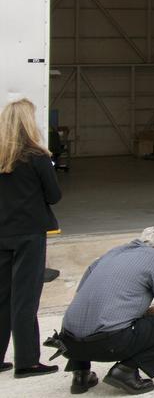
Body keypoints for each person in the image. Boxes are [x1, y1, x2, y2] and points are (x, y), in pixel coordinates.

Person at [58, 225, 154, 394]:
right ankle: (125, 371)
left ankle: (80, 374)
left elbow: (81, 296)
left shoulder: (110, 254)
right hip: (108, 345)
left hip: (69, 344)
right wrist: (145, 313)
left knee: (89, 313)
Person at [0, 98, 61, 379]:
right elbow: (54, 195)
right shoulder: (36, 156)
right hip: (29, 235)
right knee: (25, 300)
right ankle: (26, 361)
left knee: (2, 298)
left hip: (2, 233)